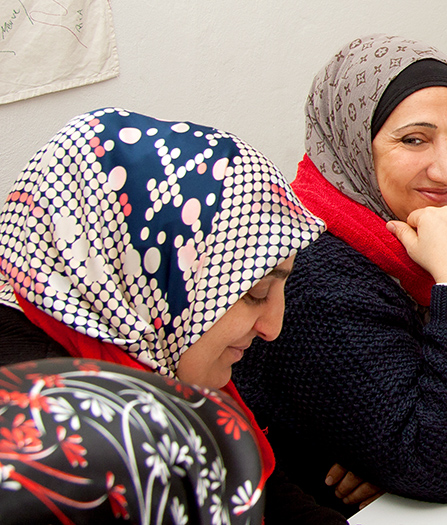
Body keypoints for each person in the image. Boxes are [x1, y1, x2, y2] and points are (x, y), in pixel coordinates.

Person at [231, 34, 447, 516]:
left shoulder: (442, 219)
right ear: (353, 144)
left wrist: (426, 438)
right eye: (413, 139)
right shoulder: (312, 270)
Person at [0, 108, 345, 524]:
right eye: (255, 292)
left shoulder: (149, 347)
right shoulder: (49, 432)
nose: (273, 327)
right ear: (150, 272)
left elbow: (274, 499)